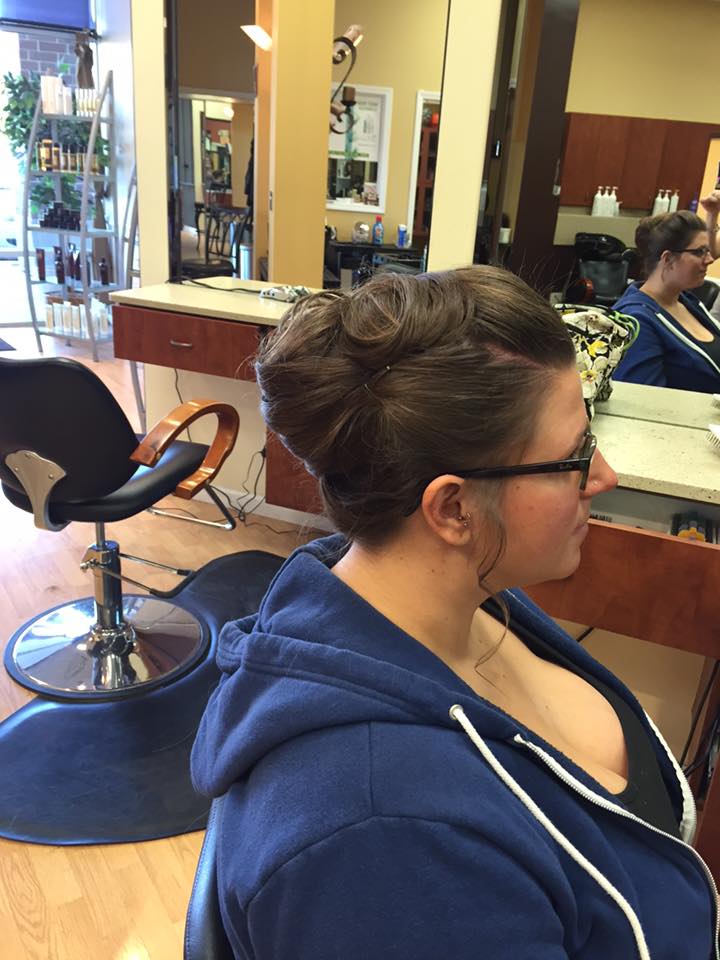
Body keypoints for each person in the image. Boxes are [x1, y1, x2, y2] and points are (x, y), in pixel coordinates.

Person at [191, 267, 716, 959]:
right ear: (453, 509)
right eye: (575, 456)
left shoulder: (475, 603)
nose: (604, 477)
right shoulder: (383, 848)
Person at [613, 199, 720, 391]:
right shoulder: (635, 320)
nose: (710, 259)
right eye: (699, 252)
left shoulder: (688, 303)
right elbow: (643, 401)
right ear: (668, 258)